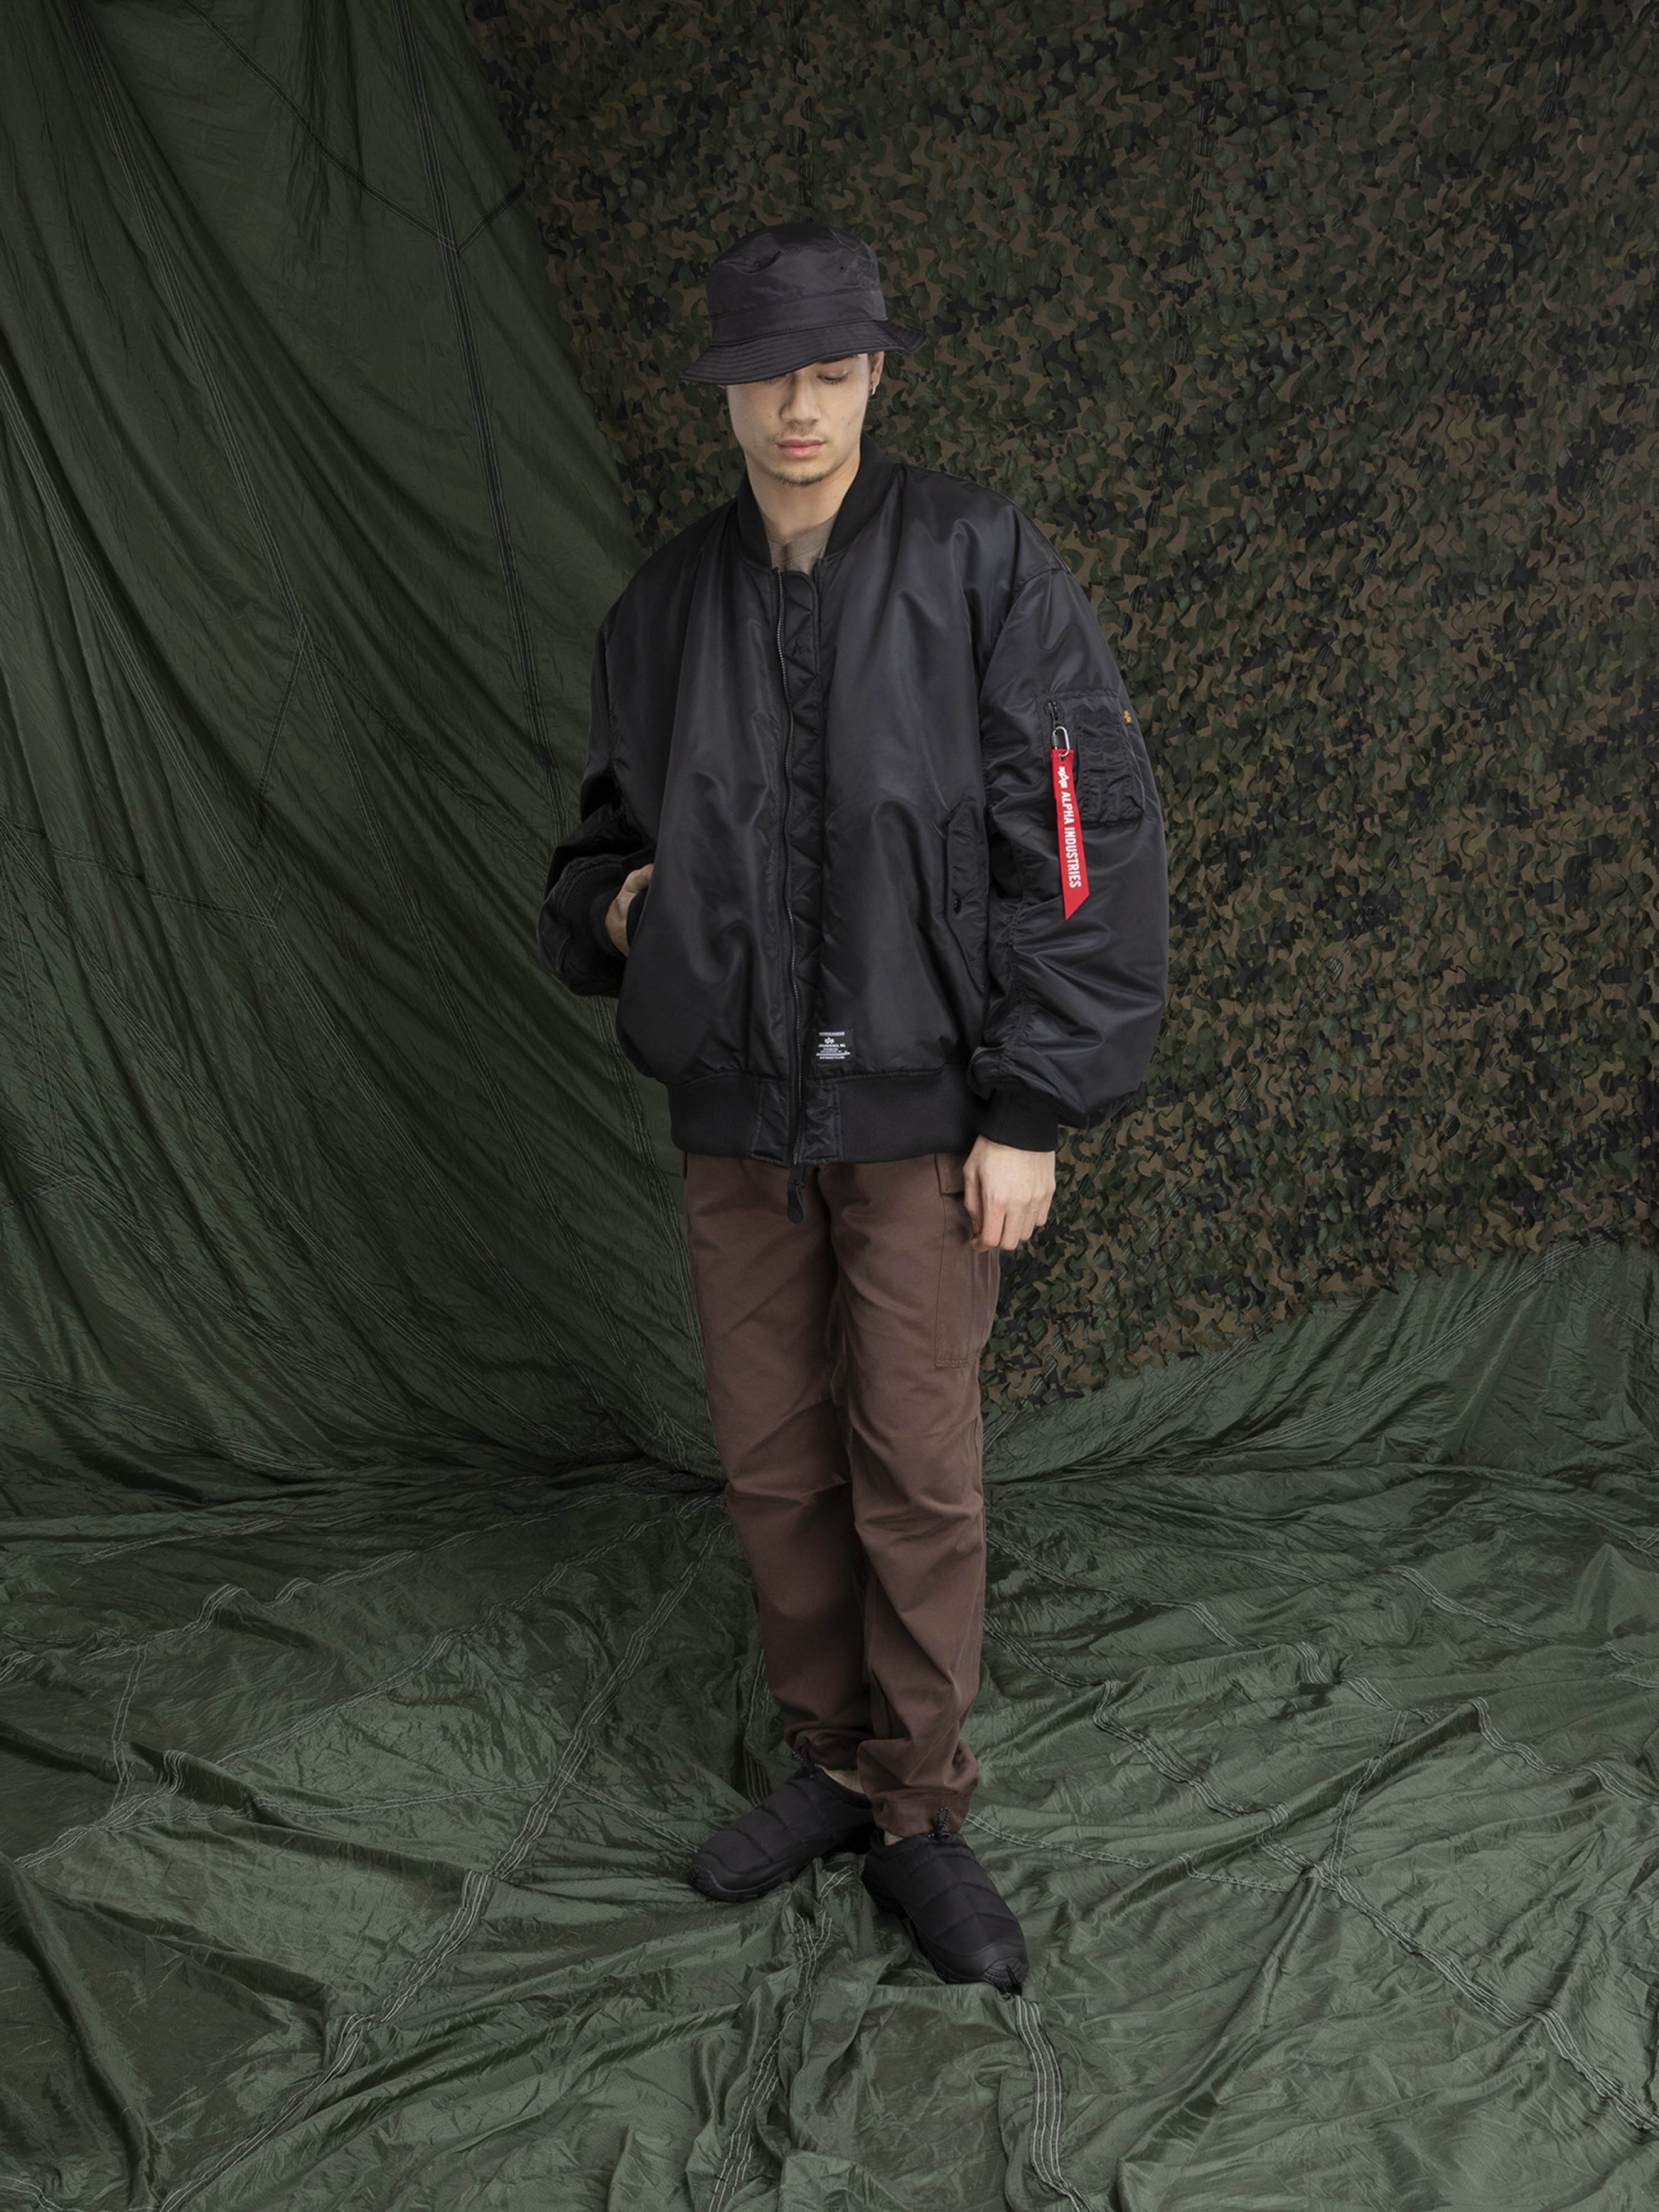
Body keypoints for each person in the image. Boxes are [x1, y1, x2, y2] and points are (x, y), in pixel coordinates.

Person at [537, 222, 1168, 1993]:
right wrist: (615, 915)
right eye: (765, 377)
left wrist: (1029, 1106)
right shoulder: (661, 609)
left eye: (828, 372)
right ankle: (828, 1760)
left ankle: (919, 1808)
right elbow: (591, 857)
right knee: (770, 1464)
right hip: (736, 1119)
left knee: (913, 1466)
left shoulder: (978, 560)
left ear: (875, 372)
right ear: (723, 393)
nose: (797, 409)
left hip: (921, 1117)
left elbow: (1077, 837)